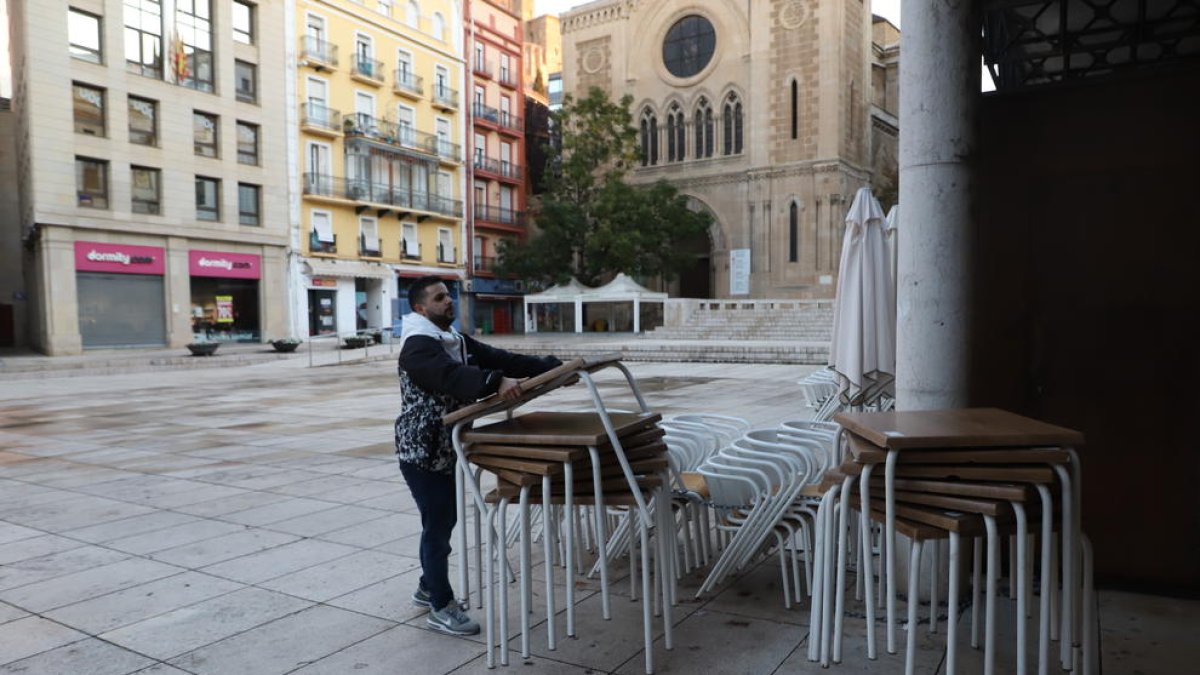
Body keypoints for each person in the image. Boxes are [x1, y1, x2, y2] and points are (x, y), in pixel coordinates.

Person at [394, 276, 562, 636]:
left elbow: (501, 358)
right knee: (438, 525)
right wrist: (493, 382)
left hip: (447, 447)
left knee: (443, 520)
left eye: (448, 295)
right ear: (420, 309)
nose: (449, 301)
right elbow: (450, 376)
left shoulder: (454, 340)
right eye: (439, 298)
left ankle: (427, 587)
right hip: (421, 451)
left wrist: (550, 366)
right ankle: (440, 606)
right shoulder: (417, 346)